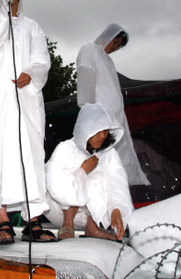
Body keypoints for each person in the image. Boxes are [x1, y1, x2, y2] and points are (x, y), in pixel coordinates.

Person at [0, 0, 55, 244]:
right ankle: (2, 222)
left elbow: (42, 59)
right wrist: (3, 12)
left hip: (25, 98)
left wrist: (32, 75)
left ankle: (32, 222)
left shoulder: (33, 26)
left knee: (29, 154)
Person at [45, 103, 133, 241]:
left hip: (95, 215)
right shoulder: (65, 149)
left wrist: (116, 208)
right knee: (79, 175)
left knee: (100, 176)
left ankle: (93, 228)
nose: (103, 136)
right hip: (59, 211)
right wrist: (82, 171)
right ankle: (67, 226)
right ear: (87, 129)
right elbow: (55, 187)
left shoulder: (110, 154)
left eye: (105, 131)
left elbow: (118, 182)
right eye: (98, 131)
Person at [75, 24, 150, 186]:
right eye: (115, 42)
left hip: (116, 118)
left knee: (121, 154)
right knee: (104, 157)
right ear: (107, 36)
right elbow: (85, 85)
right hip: (101, 118)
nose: (115, 47)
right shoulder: (89, 50)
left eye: (119, 46)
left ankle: (125, 188)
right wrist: (91, 115)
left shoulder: (107, 60)